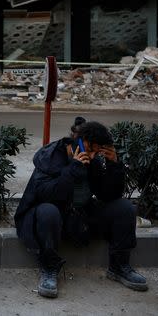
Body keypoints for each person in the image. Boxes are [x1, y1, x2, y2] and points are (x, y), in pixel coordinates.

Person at [14, 120, 147, 298]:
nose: (92, 156)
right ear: (77, 140)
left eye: (96, 152)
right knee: (48, 211)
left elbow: (108, 195)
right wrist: (73, 168)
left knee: (124, 208)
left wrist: (114, 165)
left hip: (79, 215)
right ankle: (49, 268)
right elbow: (46, 195)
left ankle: (119, 266)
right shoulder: (51, 156)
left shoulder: (92, 161)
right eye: (90, 150)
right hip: (48, 217)